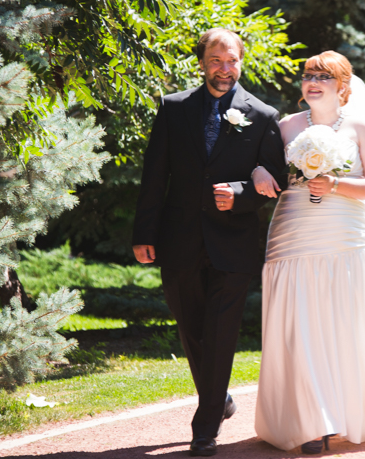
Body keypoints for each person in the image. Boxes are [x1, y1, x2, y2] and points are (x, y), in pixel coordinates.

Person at [249, 51, 365, 454]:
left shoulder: (361, 128)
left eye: (324, 76)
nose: (313, 81)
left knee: (349, 320)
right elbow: (258, 166)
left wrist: (335, 185)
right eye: (308, 75)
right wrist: (258, 171)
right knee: (296, 323)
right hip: (292, 232)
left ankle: (358, 413)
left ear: (344, 87)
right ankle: (309, 421)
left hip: (347, 234)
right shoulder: (284, 127)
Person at [132, 28, 288, 457]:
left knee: (219, 332)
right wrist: (144, 234)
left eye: (232, 60)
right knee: (192, 327)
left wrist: (239, 195)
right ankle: (219, 400)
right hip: (178, 238)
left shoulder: (263, 115)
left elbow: (276, 181)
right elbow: (154, 176)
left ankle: (205, 429)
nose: (225, 69)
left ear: (242, 62)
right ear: (202, 62)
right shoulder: (173, 107)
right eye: (216, 60)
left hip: (233, 244)